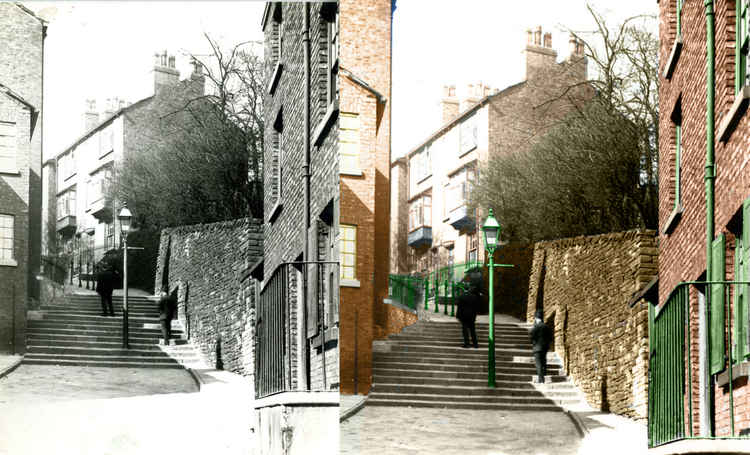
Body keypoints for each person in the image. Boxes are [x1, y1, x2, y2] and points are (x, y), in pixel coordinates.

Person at [456, 269, 483, 348]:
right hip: (471, 316)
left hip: (464, 316)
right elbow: (476, 307)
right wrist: (475, 315)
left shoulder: (462, 297)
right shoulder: (474, 297)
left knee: (465, 330)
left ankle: (467, 343)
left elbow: (459, 307)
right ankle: (475, 344)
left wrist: (458, 316)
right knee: (472, 330)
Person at [530, 309, 553, 384]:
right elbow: (551, 337)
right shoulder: (546, 327)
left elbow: (531, 336)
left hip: (537, 347)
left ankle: (541, 379)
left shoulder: (536, 327)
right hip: (545, 347)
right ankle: (545, 373)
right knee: (543, 361)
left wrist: (533, 343)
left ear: (536, 318)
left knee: (538, 363)